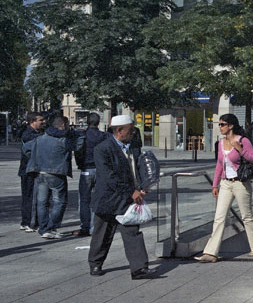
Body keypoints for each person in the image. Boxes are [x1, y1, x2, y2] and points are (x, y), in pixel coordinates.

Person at [87, 115, 156, 279]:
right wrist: (130, 191)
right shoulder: (102, 149)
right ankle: (96, 263)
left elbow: (138, 169)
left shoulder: (133, 147)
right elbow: (108, 176)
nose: (133, 133)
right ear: (119, 130)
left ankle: (139, 268)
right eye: (130, 130)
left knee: (132, 232)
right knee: (102, 234)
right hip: (108, 198)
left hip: (127, 200)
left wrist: (143, 186)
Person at [195, 114, 253, 263]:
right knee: (219, 217)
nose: (220, 127)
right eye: (219, 124)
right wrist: (215, 184)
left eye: (222, 124)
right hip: (226, 183)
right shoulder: (220, 143)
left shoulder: (243, 140)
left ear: (231, 126)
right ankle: (210, 253)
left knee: (246, 216)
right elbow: (220, 165)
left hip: (240, 183)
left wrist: (240, 149)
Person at [23, 115, 82, 239]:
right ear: (62, 125)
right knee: (59, 201)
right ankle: (51, 227)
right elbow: (79, 145)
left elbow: (26, 148)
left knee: (42, 202)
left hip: (40, 172)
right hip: (57, 173)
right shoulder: (64, 140)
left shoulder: (41, 138)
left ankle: (43, 228)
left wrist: (36, 158)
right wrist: (77, 134)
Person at [75, 113, 109, 236]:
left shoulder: (82, 135)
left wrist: (80, 163)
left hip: (86, 169)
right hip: (100, 170)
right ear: (98, 122)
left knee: (84, 199)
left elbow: (78, 151)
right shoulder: (104, 136)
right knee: (97, 199)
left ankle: (85, 225)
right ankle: (94, 227)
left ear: (87, 122)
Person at [18, 112, 45, 232]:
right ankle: (27, 222)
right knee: (29, 197)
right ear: (32, 122)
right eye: (40, 120)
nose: (43, 122)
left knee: (33, 196)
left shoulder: (38, 133)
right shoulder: (28, 135)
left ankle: (30, 222)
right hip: (28, 170)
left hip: (33, 169)